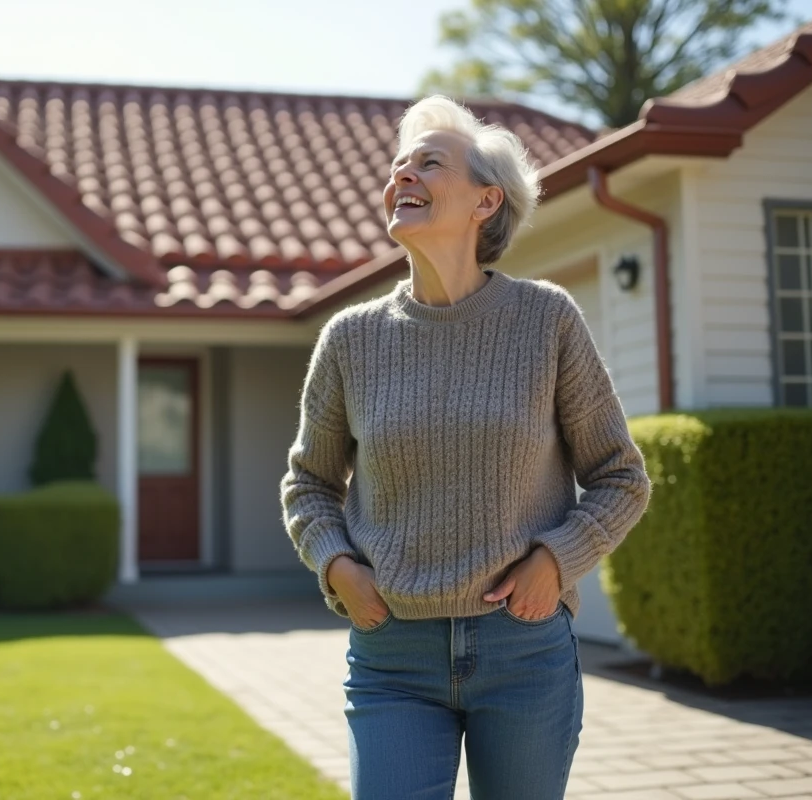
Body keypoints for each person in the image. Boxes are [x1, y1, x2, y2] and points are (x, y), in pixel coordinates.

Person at [278, 95, 652, 800]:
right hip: (392, 655)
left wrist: (556, 561)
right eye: (397, 167)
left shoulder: (547, 321)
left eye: (428, 163)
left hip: (523, 648)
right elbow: (308, 486)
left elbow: (621, 478)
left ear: (487, 200)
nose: (402, 177)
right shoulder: (351, 339)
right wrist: (338, 569)